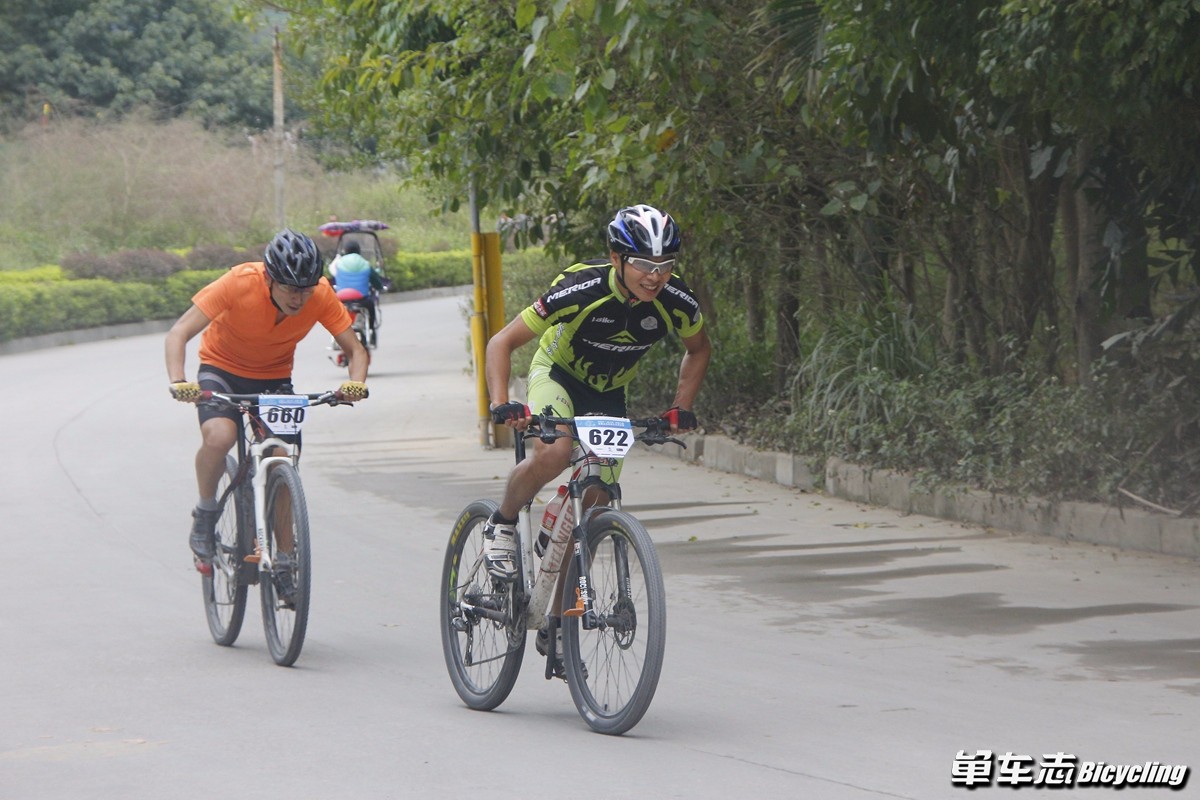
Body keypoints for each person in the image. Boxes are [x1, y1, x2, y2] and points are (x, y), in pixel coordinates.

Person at [484, 202, 711, 594]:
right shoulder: (581, 287)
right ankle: (502, 524)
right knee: (555, 453)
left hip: (608, 393)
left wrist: (680, 408)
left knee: (596, 500)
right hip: (557, 375)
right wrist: (501, 402)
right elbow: (501, 341)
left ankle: (558, 629)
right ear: (615, 258)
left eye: (665, 263)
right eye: (642, 263)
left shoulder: (677, 300)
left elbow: (699, 348)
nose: (655, 276)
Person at [165, 228, 370, 574]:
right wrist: (179, 381)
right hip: (222, 369)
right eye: (290, 288)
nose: (298, 298)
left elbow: (355, 350)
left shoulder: (319, 294)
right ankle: (205, 512)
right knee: (220, 436)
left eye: (305, 289)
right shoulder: (239, 282)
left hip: (274, 378)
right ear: (269, 279)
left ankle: (286, 558)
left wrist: (356, 384)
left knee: (279, 457)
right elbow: (179, 333)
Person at [328, 240, 386, 343]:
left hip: (341, 299)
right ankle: (372, 332)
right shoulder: (365, 264)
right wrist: (380, 287)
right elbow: (376, 281)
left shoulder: (338, 264)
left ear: (344, 251)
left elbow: (334, 277)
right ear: (359, 251)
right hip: (361, 299)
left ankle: (334, 337)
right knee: (371, 307)